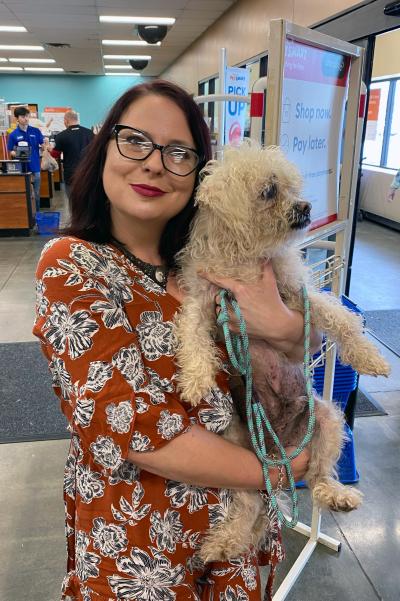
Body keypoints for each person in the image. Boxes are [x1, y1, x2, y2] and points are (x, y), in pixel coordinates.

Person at [33, 80, 318, 601]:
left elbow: (296, 354)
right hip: (141, 542)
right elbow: (134, 430)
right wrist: (282, 468)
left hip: (238, 533)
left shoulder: (212, 264)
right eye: (135, 140)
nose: (155, 164)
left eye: (179, 152)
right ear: (103, 150)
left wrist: (282, 325)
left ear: (200, 179)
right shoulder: (73, 265)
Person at [7, 105, 45, 215]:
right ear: (17, 118)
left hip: (35, 167)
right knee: (25, 194)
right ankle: (27, 216)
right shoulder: (13, 134)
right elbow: (11, 151)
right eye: (23, 117)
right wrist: (19, 153)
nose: (26, 119)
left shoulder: (35, 131)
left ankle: (37, 215)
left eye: (27, 116)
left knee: (36, 194)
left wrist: (45, 146)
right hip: (22, 169)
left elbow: (42, 145)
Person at [50, 109, 94, 198]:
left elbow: (55, 155)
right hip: (87, 172)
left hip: (70, 174)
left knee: (73, 201)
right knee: (87, 200)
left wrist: (50, 149)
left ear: (66, 121)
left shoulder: (61, 136)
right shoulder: (89, 133)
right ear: (77, 119)